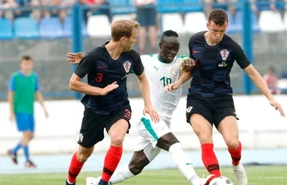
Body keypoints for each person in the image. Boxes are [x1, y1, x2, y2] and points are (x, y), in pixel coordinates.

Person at [66, 30, 214, 185]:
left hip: (164, 122)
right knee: (174, 144)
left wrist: (186, 65)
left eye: (175, 48)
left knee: (135, 167)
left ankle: (94, 183)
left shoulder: (180, 61)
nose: (172, 52)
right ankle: (197, 181)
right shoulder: (146, 61)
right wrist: (87, 57)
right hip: (150, 119)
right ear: (160, 45)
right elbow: (113, 58)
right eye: (168, 47)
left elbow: (188, 65)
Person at [165, 9, 285, 185]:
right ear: (208, 25)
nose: (218, 35)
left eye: (222, 31)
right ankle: (217, 179)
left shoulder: (232, 47)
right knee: (205, 138)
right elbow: (192, 68)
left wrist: (270, 97)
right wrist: (178, 82)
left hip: (222, 99)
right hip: (198, 98)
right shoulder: (195, 41)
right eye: (214, 31)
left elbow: (252, 73)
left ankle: (237, 165)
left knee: (233, 143)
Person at [65, 19, 159, 185]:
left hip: (119, 107)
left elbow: (142, 78)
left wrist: (148, 104)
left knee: (117, 138)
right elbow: (73, 83)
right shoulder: (94, 56)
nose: (136, 40)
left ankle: (104, 183)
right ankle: (70, 182)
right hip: (94, 109)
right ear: (123, 39)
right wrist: (100, 91)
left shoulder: (132, 56)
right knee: (83, 153)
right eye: (134, 37)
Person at [7, 55, 49, 168]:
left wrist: (44, 107)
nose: (26, 66)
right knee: (26, 134)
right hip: (20, 110)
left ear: (32, 64)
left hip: (30, 110)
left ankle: (13, 151)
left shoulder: (34, 76)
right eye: (24, 64)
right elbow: (10, 94)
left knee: (31, 135)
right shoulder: (15, 77)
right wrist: (11, 111)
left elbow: (37, 93)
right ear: (21, 64)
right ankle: (27, 160)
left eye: (29, 64)